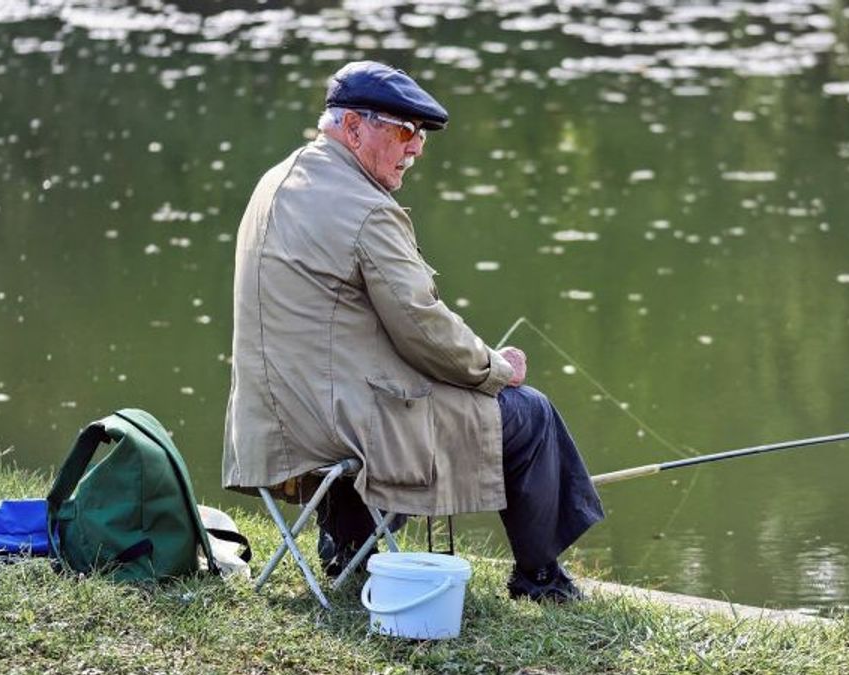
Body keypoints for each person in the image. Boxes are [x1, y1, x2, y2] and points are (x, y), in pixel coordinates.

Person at [222, 61, 604, 602]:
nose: (416, 147)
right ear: (353, 127)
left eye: (419, 134)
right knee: (530, 413)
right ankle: (539, 578)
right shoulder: (366, 210)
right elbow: (423, 329)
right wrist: (496, 368)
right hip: (337, 424)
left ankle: (348, 543)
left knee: (387, 392)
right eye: (403, 131)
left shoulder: (277, 180)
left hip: (274, 420)